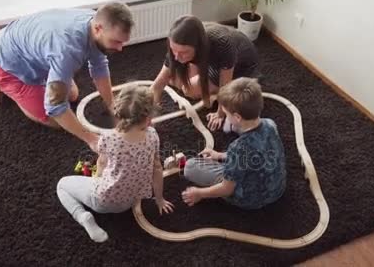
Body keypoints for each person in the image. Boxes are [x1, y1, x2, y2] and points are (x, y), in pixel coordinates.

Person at [0, 3, 134, 151]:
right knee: (58, 120)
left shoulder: (96, 20)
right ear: (98, 29)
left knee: (72, 95)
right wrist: (92, 140)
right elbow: (55, 107)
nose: (120, 48)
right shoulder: (67, 51)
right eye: (116, 41)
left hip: (33, 53)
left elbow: (99, 67)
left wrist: (112, 105)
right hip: (7, 65)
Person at [56, 85, 174, 242]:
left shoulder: (108, 138)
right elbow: (157, 169)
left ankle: (82, 216)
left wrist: (96, 179)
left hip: (104, 201)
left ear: (118, 112)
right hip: (132, 199)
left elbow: (102, 163)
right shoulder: (153, 136)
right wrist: (159, 199)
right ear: (147, 119)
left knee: (62, 185)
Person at [181, 77, 287, 210]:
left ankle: (186, 168)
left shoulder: (238, 148)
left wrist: (199, 193)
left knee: (190, 166)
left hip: (250, 198)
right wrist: (219, 155)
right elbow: (253, 155)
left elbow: (227, 189)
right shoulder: (271, 124)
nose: (225, 116)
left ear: (237, 117)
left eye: (226, 114)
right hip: (277, 189)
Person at [150, 15, 261, 132]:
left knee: (190, 90)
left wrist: (220, 114)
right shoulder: (180, 44)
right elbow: (158, 84)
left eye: (183, 52)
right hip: (210, 60)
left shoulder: (222, 44)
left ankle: (213, 94)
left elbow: (226, 86)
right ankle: (210, 91)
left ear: (198, 47)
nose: (176, 57)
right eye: (173, 50)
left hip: (241, 67)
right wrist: (148, 115)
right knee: (173, 79)